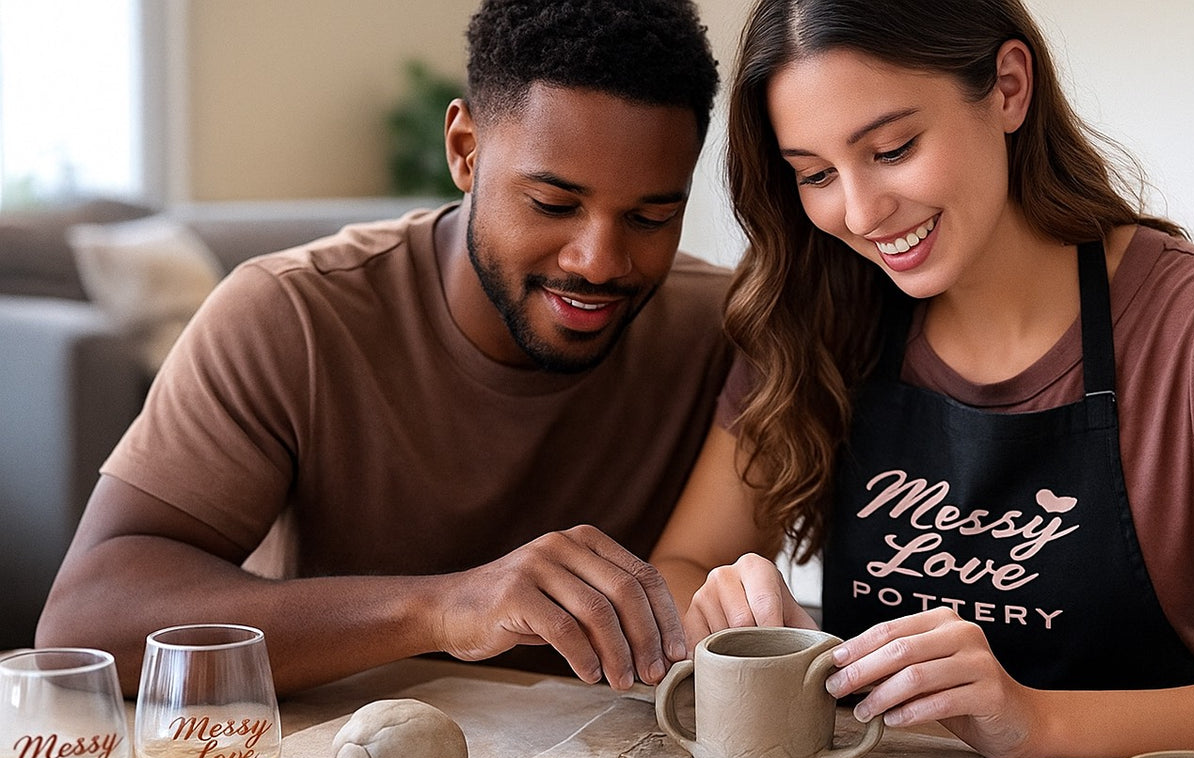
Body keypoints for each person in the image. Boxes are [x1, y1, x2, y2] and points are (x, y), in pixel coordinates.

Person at [650, 0, 1194, 758]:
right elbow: (682, 567)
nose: (859, 212)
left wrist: (1036, 721)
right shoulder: (812, 313)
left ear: (1010, 87)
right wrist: (727, 608)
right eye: (814, 174)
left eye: (891, 148)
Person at [37, 0, 729, 696]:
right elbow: (85, 622)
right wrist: (442, 607)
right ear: (463, 149)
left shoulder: (729, 331)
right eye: (552, 204)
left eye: (650, 217)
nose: (598, 261)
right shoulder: (292, 316)